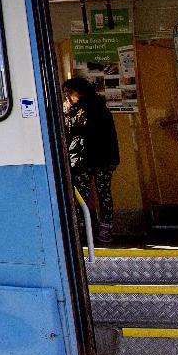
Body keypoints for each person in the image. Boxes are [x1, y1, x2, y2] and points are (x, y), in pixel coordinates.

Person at [62, 77, 120, 243]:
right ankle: (80, 228)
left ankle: (106, 228)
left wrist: (113, 160)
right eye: (65, 92)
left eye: (70, 92)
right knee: (80, 195)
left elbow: (109, 136)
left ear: (81, 92)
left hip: (101, 158)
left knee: (104, 193)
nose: (67, 96)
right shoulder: (68, 110)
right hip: (80, 160)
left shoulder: (98, 109)